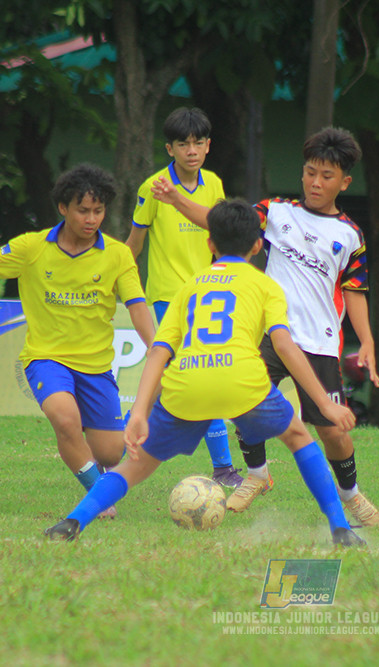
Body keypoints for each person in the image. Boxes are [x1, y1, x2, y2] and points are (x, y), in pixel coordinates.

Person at [44, 199, 365, 546]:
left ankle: (73, 521)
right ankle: (340, 527)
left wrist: (139, 412)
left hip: (187, 385)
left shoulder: (190, 287)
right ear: (258, 246)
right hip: (243, 382)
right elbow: (285, 346)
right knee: (299, 437)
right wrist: (325, 403)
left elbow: (159, 352)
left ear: (210, 244)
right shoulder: (267, 286)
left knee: (134, 468)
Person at [150, 126, 379, 527]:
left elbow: (355, 290)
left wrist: (366, 341)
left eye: (326, 176)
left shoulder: (349, 234)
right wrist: (176, 200)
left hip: (319, 343)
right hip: (268, 332)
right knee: (244, 403)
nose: (315, 182)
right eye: (310, 172)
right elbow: (219, 222)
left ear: (344, 182)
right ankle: (257, 474)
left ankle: (352, 495)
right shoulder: (277, 211)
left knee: (331, 430)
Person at [0, 164, 155, 515]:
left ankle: (95, 462)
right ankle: (98, 497)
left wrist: (158, 347)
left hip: (96, 366)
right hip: (46, 357)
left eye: (98, 211)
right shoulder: (32, 247)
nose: (91, 219)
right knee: (64, 418)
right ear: (63, 208)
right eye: (83, 210)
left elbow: (138, 307)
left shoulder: (117, 254)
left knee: (110, 452)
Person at [124, 107, 243, 488]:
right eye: (182, 143)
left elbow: (220, 240)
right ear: (169, 149)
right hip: (165, 298)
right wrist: (114, 283)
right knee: (185, 379)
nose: (191, 150)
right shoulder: (152, 187)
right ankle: (219, 467)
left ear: (208, 146)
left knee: (191, 379)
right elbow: (134, 246)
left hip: (206, 299)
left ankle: (221, 467)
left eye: (198, 143)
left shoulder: (214, 185)